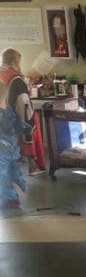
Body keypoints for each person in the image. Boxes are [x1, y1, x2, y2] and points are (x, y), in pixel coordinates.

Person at [0, 48, 45, 175]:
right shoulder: (17, 80)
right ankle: (33, 166)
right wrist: (26, 121)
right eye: (19, 62)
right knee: (29, 134)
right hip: (16, 116)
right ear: (14, 62)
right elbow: (23, 103)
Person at [0, 79, 32, 209]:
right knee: (9, 173)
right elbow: (19, 124)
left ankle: (11, 198)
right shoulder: (8, 111)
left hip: (3, 151)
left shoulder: (5, 113)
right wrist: (27, 128)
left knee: (3, 175)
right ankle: (12, 198)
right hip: (12, 150)